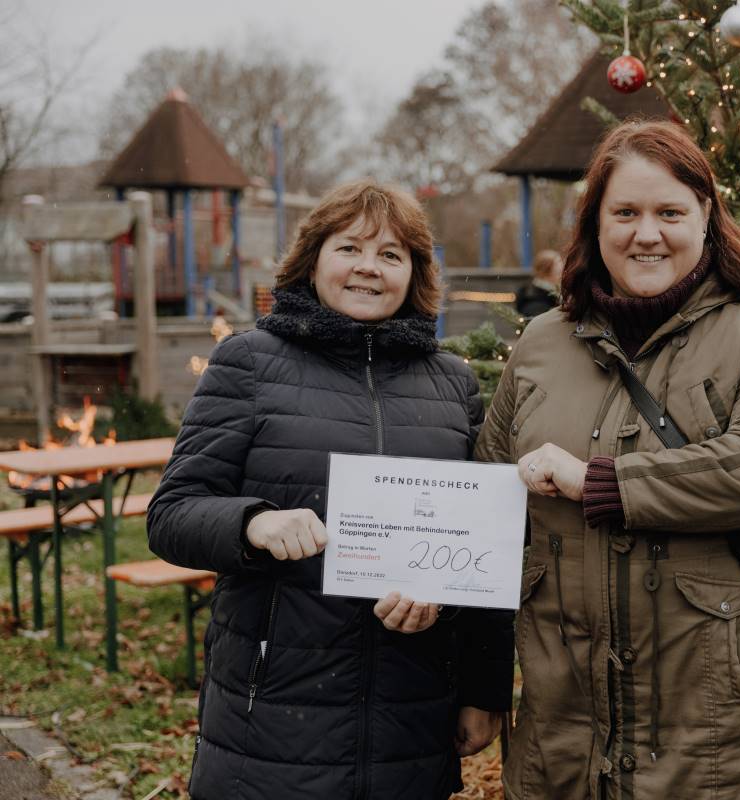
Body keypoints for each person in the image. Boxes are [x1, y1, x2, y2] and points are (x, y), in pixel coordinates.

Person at [474, 119, 740, 798]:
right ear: (595, 225)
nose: (647, 233)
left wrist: (599, 482)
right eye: (625, 213)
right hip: (563, 732)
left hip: (718, 736)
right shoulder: (544, 342)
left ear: (707, 220)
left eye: (670, 212)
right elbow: (488, 498)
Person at [147, 180, 513, 799]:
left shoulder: (452, 384)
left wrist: (481, 686)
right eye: (350, 248)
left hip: (410, 716)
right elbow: (172, 514)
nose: (369, 267)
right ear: (313, 259)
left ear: (415, 274)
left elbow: (483, 546)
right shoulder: (249, 363)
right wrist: (252, 523)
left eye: (392, 255)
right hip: (273, 722)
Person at [514, 249, 563, 317]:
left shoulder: (554, 294)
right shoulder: (534, 299)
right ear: (547, 270)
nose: (563, 269)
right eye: (559, 263)